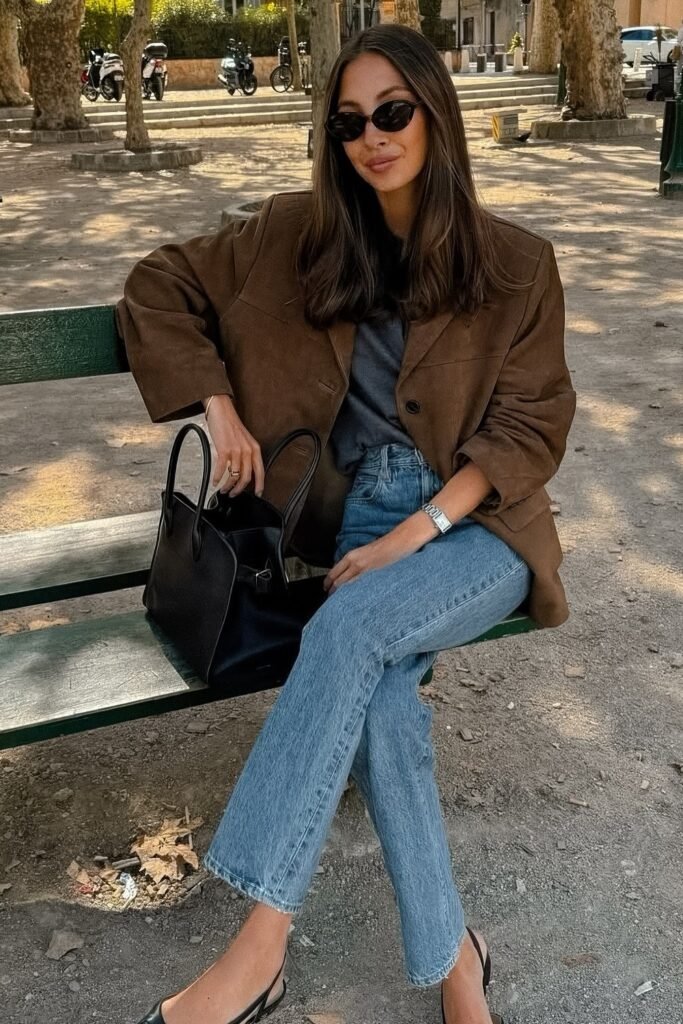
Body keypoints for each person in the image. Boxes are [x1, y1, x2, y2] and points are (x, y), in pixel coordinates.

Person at [117, 24, 575, 1024]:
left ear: (432, 114)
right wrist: (214, 401)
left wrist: (417, 532)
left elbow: (531, 428)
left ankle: (255, 952)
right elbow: (159, 283)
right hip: (344, 518)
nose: (373, 137)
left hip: (476, 525)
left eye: (394, 113)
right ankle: (457, 960)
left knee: (350, 627)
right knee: (379, 699)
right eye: (350, 122)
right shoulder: (291, 235)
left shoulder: (514, 264)